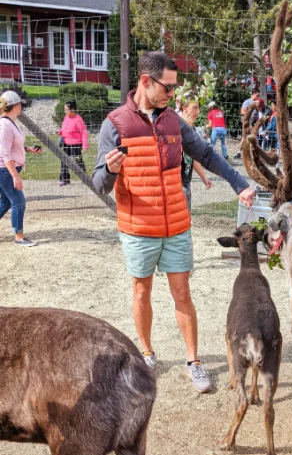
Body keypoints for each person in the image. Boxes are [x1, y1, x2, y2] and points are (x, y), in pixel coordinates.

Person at [92, 51, 255, 393]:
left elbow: (206, 154)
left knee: (183, 293)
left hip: (177, 225)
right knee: (142, 292)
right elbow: (100, 186)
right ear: (147, 82)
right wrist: (110, 169)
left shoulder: (173, 122)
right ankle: (147, 354)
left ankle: (194, 361)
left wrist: (239, 184)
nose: (173, 95)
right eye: (168, 88)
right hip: (138, 228)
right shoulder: (115, 124)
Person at [0, 90, 42, 246]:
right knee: (19, 202)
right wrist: (15, 176)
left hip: (7, 169)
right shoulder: (5, 124)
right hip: (5, 170)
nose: (21, 108)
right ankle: (19, 237)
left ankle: (18, 235)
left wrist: (27, 149)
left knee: (5, 203)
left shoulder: (10, 122)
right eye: (20, 105)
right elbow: (4, 152)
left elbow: (11, 147)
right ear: (15, 106)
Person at [181, 100, 213, 209]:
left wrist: (204, 177)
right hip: (176, 185)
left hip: (186, 183)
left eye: (198, 108)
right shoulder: (175, 127)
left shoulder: (192, 129)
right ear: (184, 108)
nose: (197, 111)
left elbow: (193, 158)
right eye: (194, 107)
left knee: (186, 221)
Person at [57, 100, 89, 186]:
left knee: (78, 161)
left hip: (76, 144)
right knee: (64, 161)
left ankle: (85, 178)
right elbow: (64, 129)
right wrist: (60, 132)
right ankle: (64, 179)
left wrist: (85, 144)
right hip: (66, 143)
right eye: (65, 110)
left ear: (73, 110)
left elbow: (84, 132)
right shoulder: (66, 118)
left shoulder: (78, 119)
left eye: (67, 110)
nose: (65, 112)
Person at [236, 89, 260, 159]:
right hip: (247, 122)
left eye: (259, 95)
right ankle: (239, 152)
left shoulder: (257, 102)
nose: (258, 97)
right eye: (257, 95)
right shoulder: (247, 102)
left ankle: (252, 153)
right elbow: (242, 112)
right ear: (253, 94)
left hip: (254, 122)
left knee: (253, 137)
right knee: (244, 137)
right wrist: (250, 114)